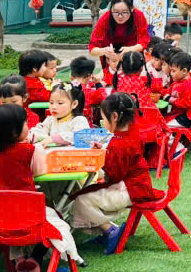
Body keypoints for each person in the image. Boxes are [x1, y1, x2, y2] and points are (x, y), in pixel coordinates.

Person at [0, 104, 81, 272]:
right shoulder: (30, 151)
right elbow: (40, 171)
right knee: (57, 221)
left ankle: (19, 261)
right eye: (25, 124)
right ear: (14, 132)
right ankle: (36, 259)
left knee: (12, 225)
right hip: (29, 217)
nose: (28, 127)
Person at [69, 92, 161, 254]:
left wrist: (102, 159)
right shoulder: (131, 131)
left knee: (80, 201)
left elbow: (114, 174)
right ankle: (107, 230)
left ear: (114, 117)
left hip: (130, 190)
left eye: (104, 119)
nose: (103, 123)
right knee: (85, 195)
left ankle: (110, 230)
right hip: (138, 185)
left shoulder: (119, 144)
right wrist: (106, 152)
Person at [88, 0, 151, 79]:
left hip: (132, 59)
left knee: (134, 81)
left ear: (132, 9)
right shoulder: (105, 18)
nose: (120, 16)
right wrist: (104, 51)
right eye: (116, 12)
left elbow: (144, 41)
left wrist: (130, 49)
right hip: (112, 61)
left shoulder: (138, 16)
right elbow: (92, 49)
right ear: (111, 9)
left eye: (124, 12)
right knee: (110, 81)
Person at [164, 49, 191, 129]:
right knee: (162, 120)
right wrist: (161, 93)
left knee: (164, 126)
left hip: (188, 118)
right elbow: (170, 90)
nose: (171, 73)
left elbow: (187, 103)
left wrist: (169, 99)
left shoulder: (187, 85)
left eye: (173, 71)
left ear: (184, 71)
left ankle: (172, 138)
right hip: (181, 114)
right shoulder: (179, 81)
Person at [69, 56, 107, 122]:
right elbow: (105, 100)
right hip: (86, 125)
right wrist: (98, 83)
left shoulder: (66, 88)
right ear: (89, 77)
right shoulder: (88, 92)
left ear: (72, 77)